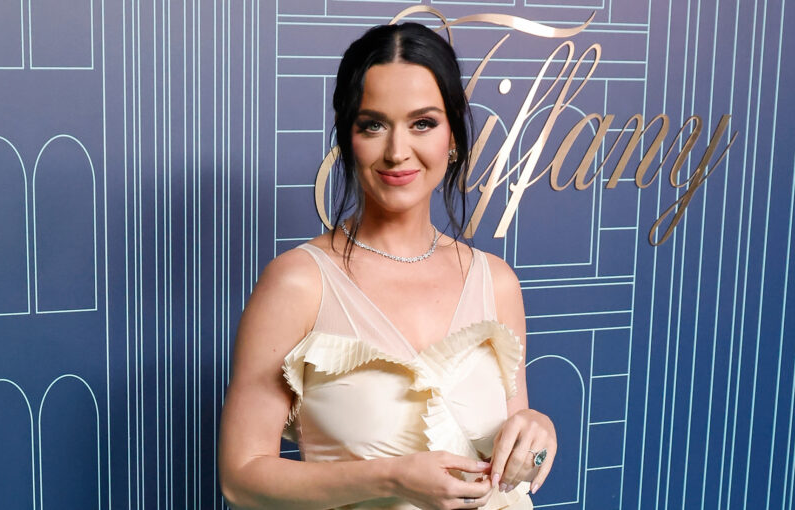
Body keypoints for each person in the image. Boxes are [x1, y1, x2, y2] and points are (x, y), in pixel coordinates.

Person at [219, 22, 556, 510]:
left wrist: (536, 432)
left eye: (423, 123)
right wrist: (391, 478)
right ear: (347, 138)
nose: (398, 152)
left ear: (453, 137)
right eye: (373, 125)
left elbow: (513, 457)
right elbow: (241, 477)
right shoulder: (299, 282)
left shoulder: (495, 281)